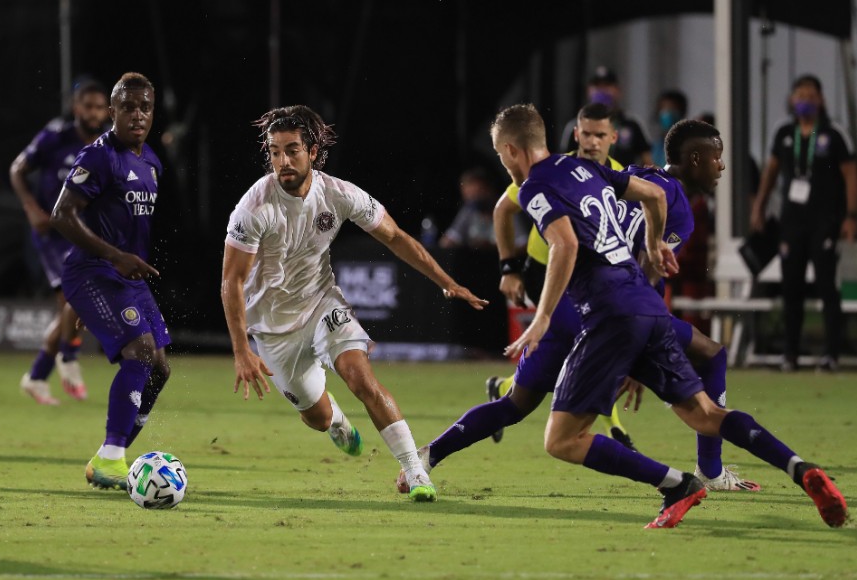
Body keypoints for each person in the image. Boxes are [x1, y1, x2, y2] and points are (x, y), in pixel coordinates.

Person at [460, 104, 847, 528]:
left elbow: (564, 245)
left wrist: (543, 315)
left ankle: (678, 484)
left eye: (500, 155)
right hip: (645, 307)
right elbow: (652, 204)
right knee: (705, 413)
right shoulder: (595, 172)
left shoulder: (552, 183)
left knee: (561, 439)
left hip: (607, 316)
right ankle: (800, 468)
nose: (720, 166)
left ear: (512, 151)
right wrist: (657, 240)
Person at [411, 117, 761, 493]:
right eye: (717, 158)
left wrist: (513, 270)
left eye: (601, 135)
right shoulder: (662, 200)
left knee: (516, 404)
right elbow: (647, 271)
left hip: (566, 300)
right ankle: (707, 471)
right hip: (605, 308)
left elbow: (515, 210)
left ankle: (426, 457)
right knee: (712, 355)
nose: (721, 167)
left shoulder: (614, 173)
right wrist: (641, 337)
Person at [220, 104, 488, 503]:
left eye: (292, 149)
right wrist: (242, 349)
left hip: (321, 301)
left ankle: (416, 473)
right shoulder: (253, 207)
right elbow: (232, 280)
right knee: (316, 416)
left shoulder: (339, 194)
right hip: (272, 328)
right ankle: (336, 422)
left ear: (313, 152)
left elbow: (396, 238)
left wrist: (447, 282)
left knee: (360, 377)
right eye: (275, 152)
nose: (283, 161)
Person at [485, 102, 634, 448]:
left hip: (587, 275)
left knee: (579, 344)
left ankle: (505, 389)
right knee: (591, 338)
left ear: (613, 137)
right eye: (587, 133)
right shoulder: (551, 169)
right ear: (576, 133)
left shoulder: (616, 175)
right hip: (545, 271)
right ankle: (613, 427)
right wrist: (508, 266)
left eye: (601, 135)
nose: (593, 141)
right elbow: (503, 210)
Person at [51, 72, 170, 490]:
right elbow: (61, 215)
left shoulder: (151, 162)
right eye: (129, 107)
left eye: (145, 107)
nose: (138, 115)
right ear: (114, 112)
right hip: (93, 270)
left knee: (159, 368)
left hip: (122, 278)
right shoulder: (99, 156)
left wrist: (105, 304)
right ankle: (115, 457)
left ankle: (107, 456)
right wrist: (112, 261)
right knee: (139, 352)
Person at [750, 74, 857, 373]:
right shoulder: (784, 132)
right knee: (791, 288)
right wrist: (759, 206)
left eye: (811, 95)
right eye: (800, 95)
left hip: (825, 222)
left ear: (821, 100)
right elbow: (770, 173)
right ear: (791, 100)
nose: (805, 101)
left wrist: (851, 216)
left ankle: (832, 353)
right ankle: (790, 353)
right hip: (791, 223)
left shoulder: (834, 133)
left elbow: (851, 175)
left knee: (826, 287)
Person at [9, 80, 110, 405]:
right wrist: (31, 209)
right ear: (76, 107)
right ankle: (67, 356)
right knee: (76, 298)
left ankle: (38, 376)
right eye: (88, 106)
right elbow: (18, 169)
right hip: (53, 234)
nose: (94, 113)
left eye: (99, 107)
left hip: (84, 232)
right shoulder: (56, 136)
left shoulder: (109, 143)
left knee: (73, 305)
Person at [558, 66, 652, 166]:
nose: (601, 90)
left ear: (617, 90)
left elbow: (647, 162)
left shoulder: (632, 124)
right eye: (597, 86)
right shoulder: (575, 125)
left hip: (623, 180)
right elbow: (564, 162)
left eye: (607, 85)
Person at [438, 167, 500, 249]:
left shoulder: (505, 209)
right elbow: (446, 242)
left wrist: (492, 247)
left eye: (477, 193)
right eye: (469, 196)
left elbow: (521, 244)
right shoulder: (468, 211)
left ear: (489, 190)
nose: (474, 199)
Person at [650, 90, 687, 167]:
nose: (668, 114)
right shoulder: (654, 147)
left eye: (672, 109)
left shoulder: (688, 146)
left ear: (682, 113)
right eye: (664, 109)